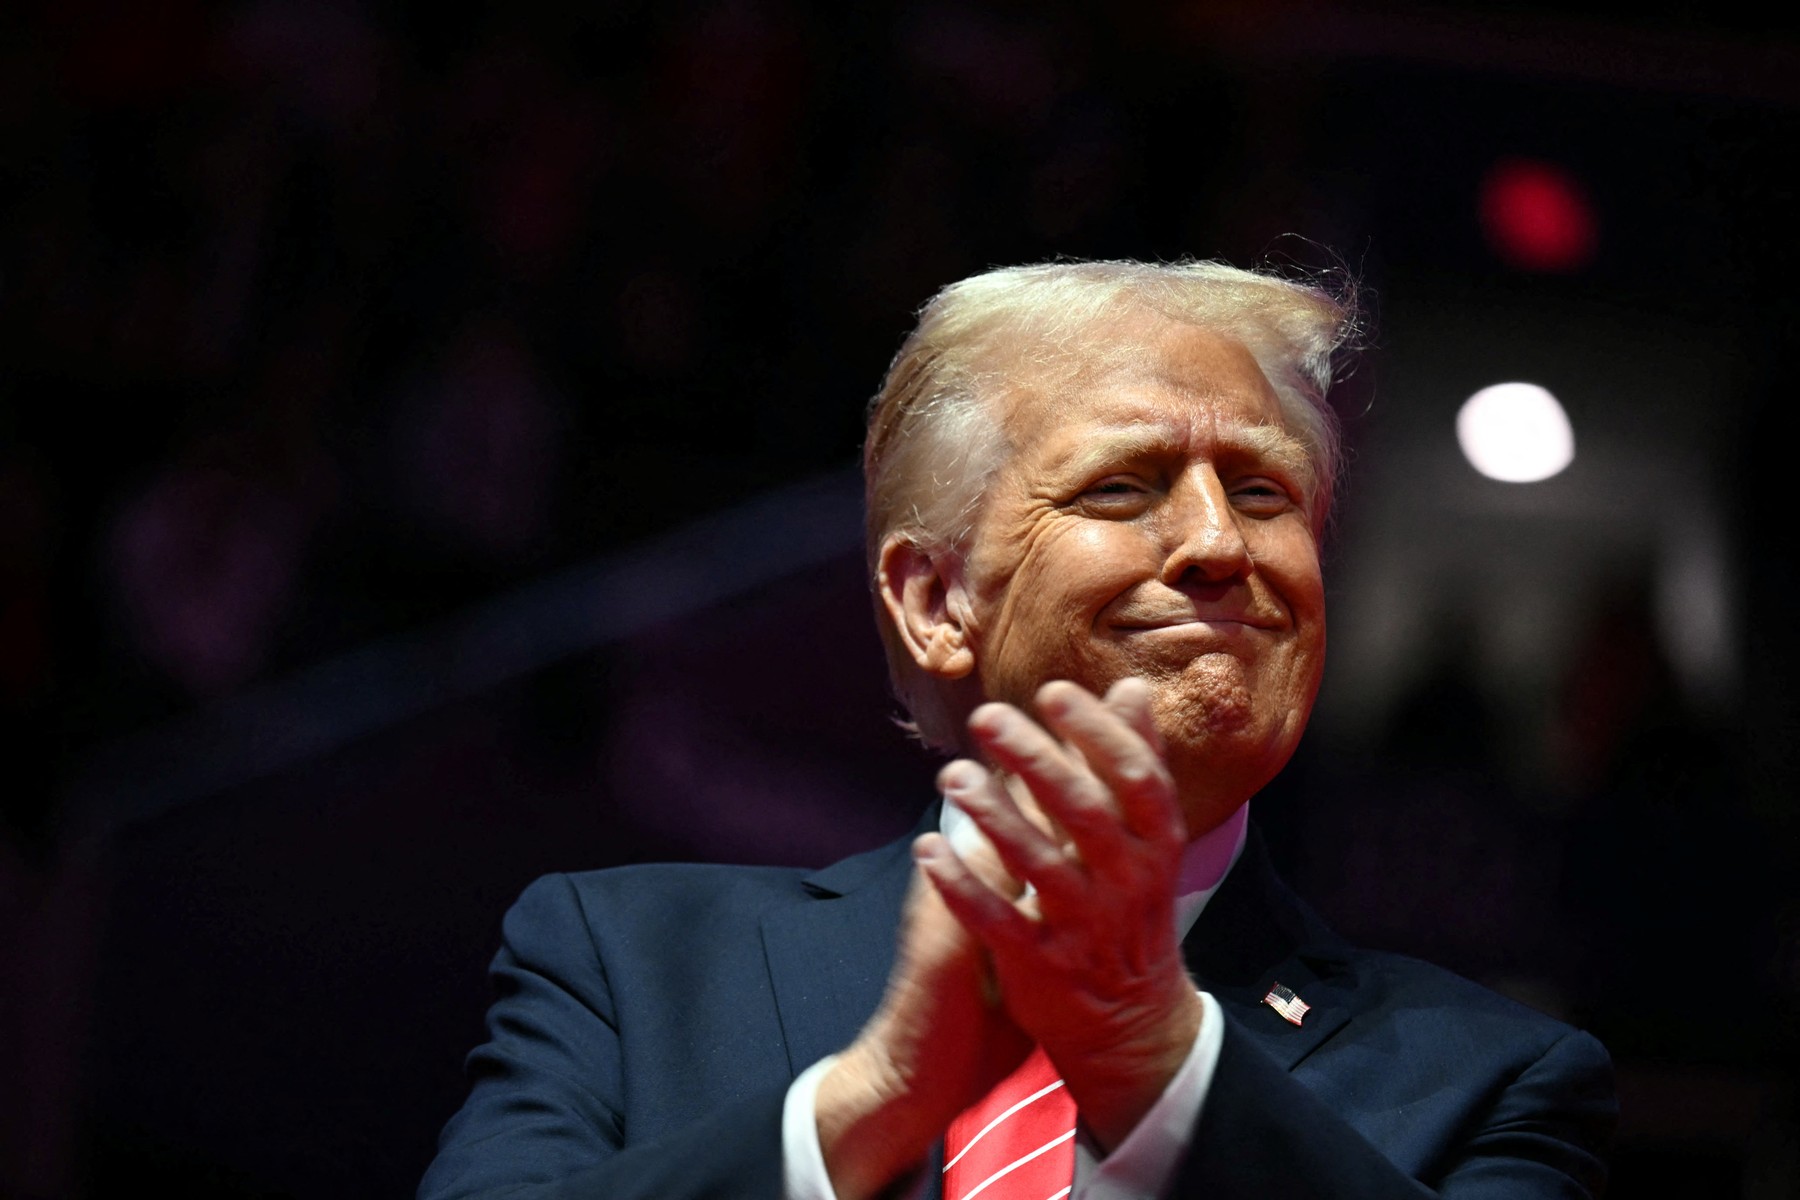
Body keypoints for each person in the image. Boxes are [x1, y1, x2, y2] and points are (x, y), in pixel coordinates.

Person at [420, 260, 1615, 1199]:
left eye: (1263, 492)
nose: (1219, 543)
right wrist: (867, 1111)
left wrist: (1158, 1071)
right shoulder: (629, 967)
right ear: (936, 602)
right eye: (1121, 487)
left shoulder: (1491, 1081)